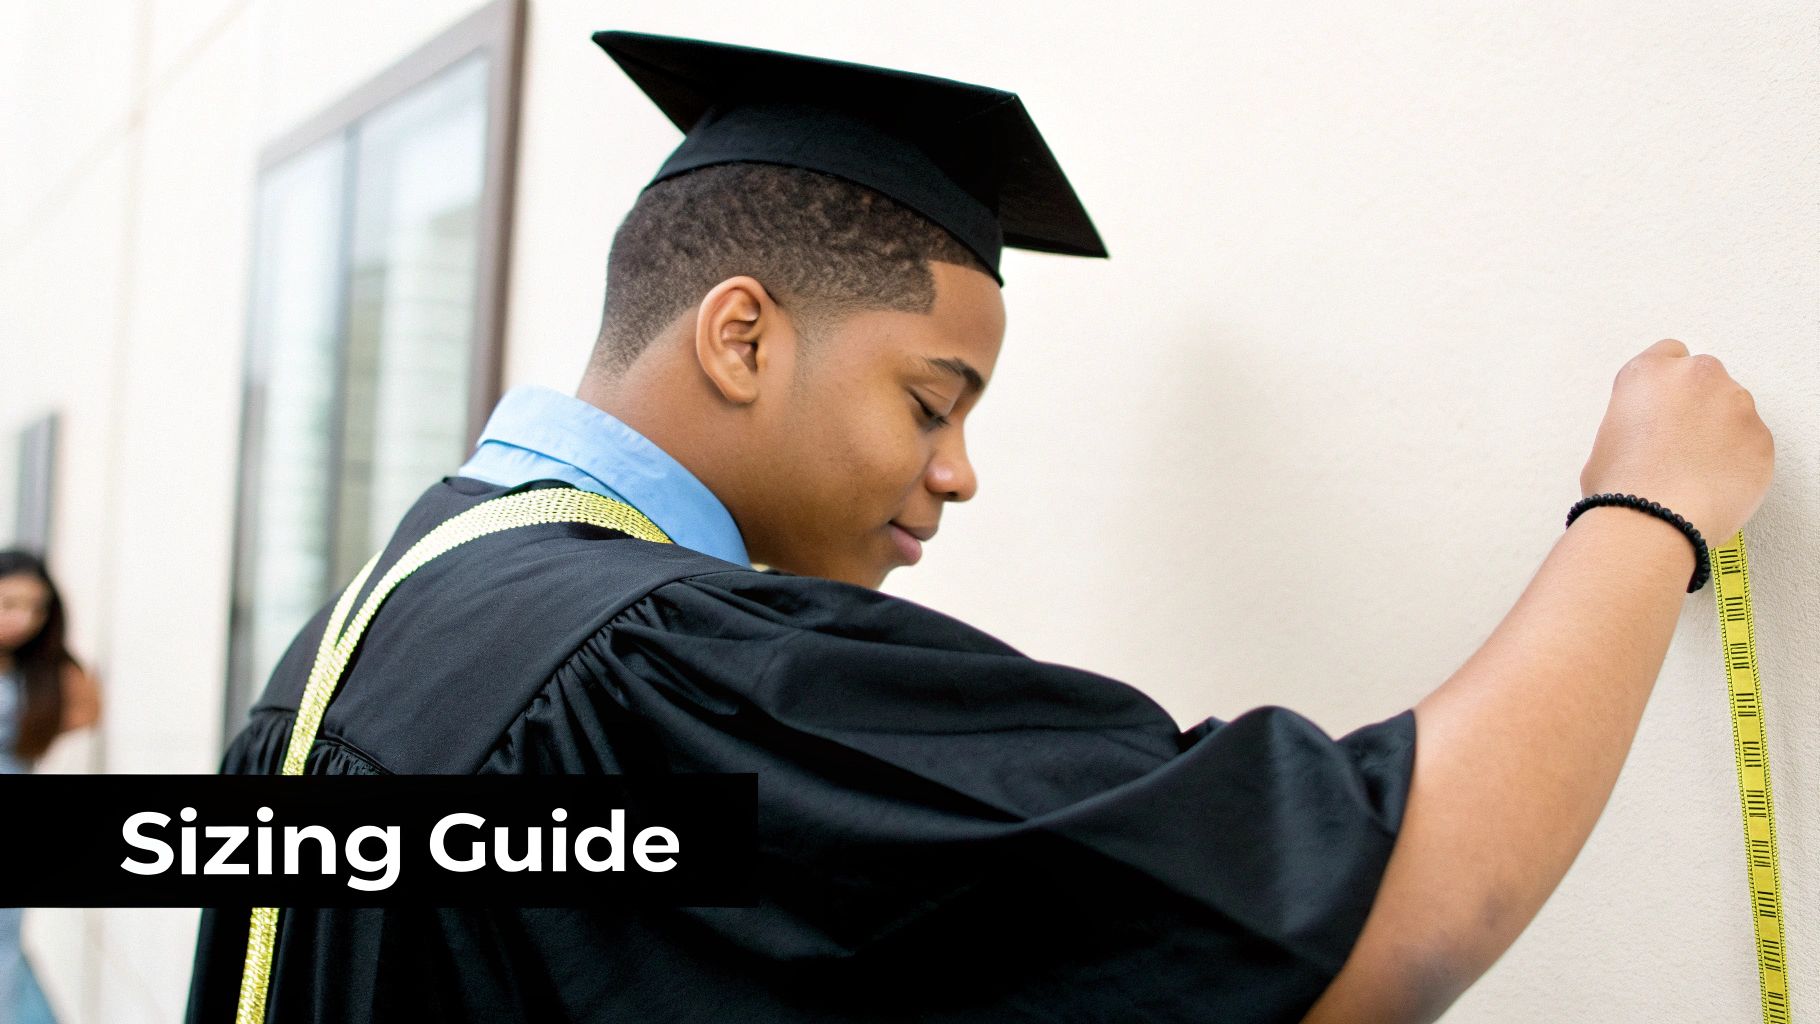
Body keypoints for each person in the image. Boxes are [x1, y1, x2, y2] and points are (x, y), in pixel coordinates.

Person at [184, 31, 1776, 1024]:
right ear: (742, 338)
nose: (954, 475)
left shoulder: (403, 607)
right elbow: (1364, 921)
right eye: (931, 400)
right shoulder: (654, 670)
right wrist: (1645, 510)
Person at [0, 549, 102, 1024]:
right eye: (9, 604)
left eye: (37, 608)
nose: (23, 619)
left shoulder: (41, 673)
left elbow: (84, 710)